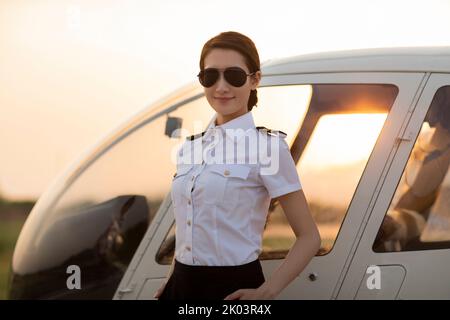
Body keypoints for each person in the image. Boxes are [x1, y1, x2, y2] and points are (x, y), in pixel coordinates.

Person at [154, 31, 321, 300]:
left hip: (233, 289)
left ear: (254, 80)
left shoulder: (268, 147)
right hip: (180, 287)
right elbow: (189, 227)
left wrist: (267, 291)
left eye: (233, 75)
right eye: (210, 76)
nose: (221, 86)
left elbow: (309, 237)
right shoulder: (189, 148)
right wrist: (171, 279)